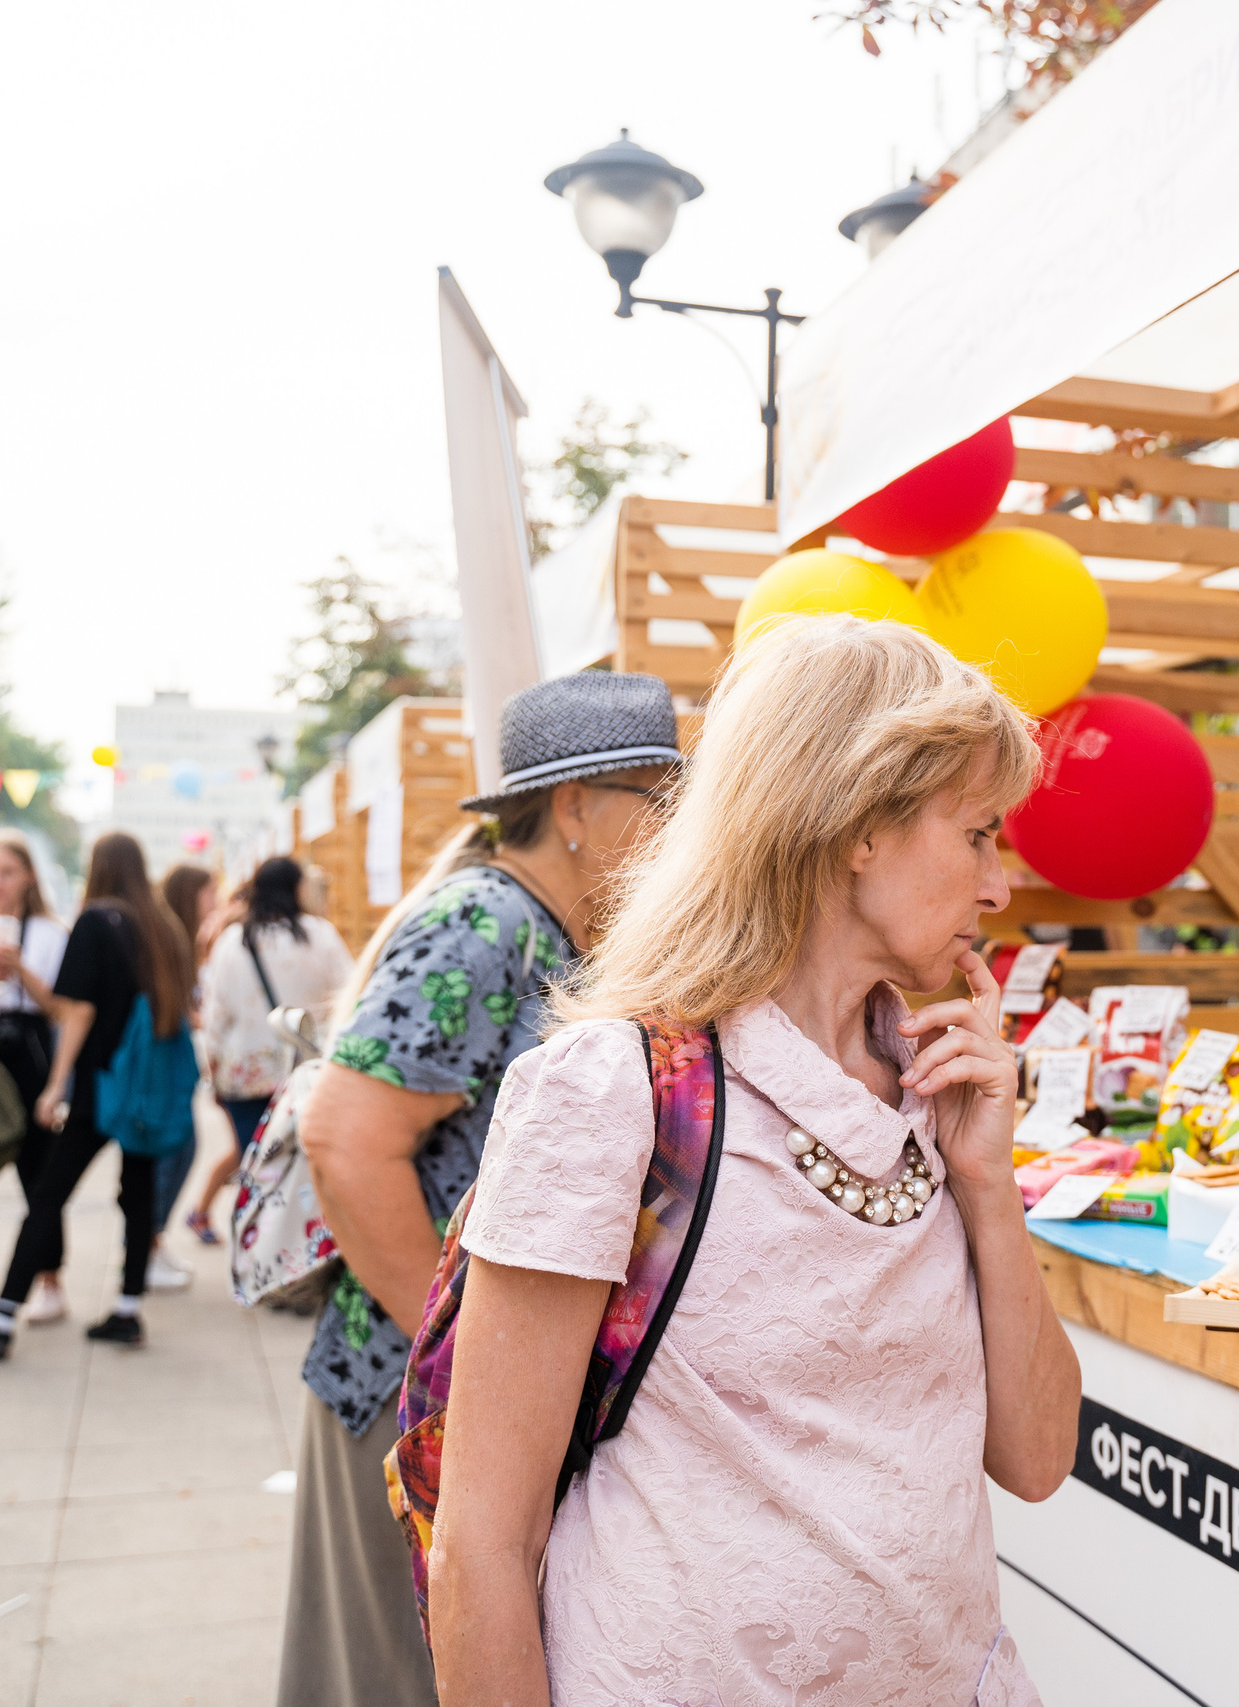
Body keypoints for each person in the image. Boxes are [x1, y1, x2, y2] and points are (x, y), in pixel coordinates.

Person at [429, 618, 1079, 1707]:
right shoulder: (612, 1092)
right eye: (976, 833)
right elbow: (481, 1549)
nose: (998, 884)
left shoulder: (929, 1085)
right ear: (857, 826)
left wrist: (987, 1187)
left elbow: (1038, 1458)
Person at [280, 670, 679, 1707]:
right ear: (575, 808)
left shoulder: (540, 925)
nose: (681, 831)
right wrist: (456, 1371)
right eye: (658, 800)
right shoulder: (485, 922)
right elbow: (347, 1142)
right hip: (406, 1401)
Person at [0, 832, 194, 1357]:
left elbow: (75, 1010)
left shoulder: (97, 920)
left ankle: (3, 1319)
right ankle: (126, 1309)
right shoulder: (164, 926)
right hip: (146, 1086)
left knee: (48, 1195)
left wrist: (56, 1084)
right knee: (136, 1192)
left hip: (102, 1084)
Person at [185, 856, 353, 1245]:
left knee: (258, 1167)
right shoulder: (319, 935)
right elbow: (349, 995)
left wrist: (212, 1072)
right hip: (307, 1074)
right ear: (296, 889)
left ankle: (260, 1251)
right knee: (305, 1171)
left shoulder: (233, 941)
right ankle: (304, 1251)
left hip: (244, 1075)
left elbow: (216, 1017)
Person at [0, 831, 72, 1324]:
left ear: (28, 876)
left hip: (31, 1050)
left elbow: (58, 1007)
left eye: (7, 872)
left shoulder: (50, 933)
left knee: (38, 1170)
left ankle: (50, 1279)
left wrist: (19, 968)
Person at [147, 862, 219, 1291]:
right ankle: (147, 1246)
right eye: (209, 893)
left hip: (175, 1062)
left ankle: (151, 1244)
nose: (215, 901)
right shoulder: (171, 936)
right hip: (164, 1062)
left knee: (181, 1150)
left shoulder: (187, 938)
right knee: (175, 1150)